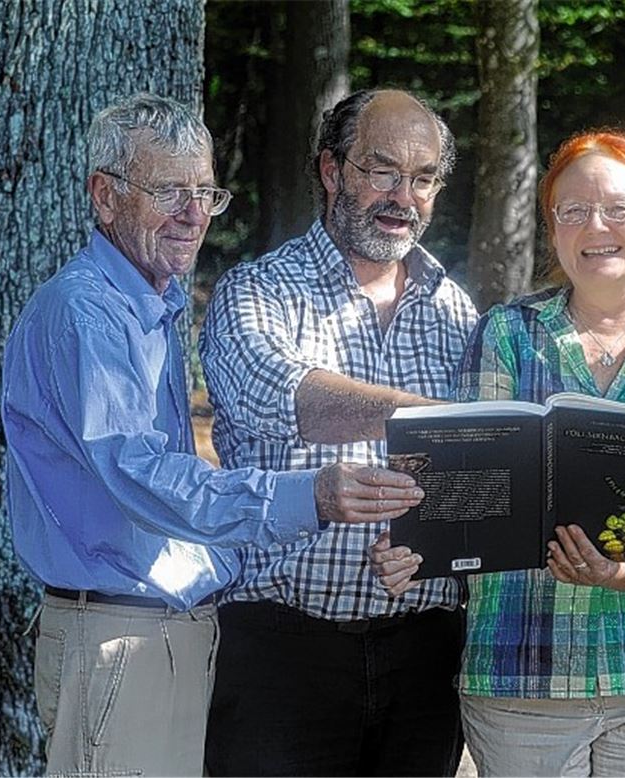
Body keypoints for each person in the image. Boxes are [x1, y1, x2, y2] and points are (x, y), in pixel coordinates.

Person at [0, 93, 418, 778]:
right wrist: (307, 496)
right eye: (169, 191)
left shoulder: (151, 303)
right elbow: (141, 475)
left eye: (205, 192)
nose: (194, 214)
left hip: (164, 634)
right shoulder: (87, 313)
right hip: (121, 638)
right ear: (104, 196)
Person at [373, 130, 625, 777]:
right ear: (552, 228)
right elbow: (469, 490)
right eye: (572, 210)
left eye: (619, 208)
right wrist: (417, 543)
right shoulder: (507, 331)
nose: (596, 226)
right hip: (521, 664)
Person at [198, 89, 477, 776]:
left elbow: (482, 478)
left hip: (427, 653)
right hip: (281, 650)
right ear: (331, 171)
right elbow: (286, 397)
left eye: (422, 178)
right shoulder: (258, 291)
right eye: (381, 170)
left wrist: (433, 547)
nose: (402, 197)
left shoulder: (459, 312)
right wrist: (440, 420)